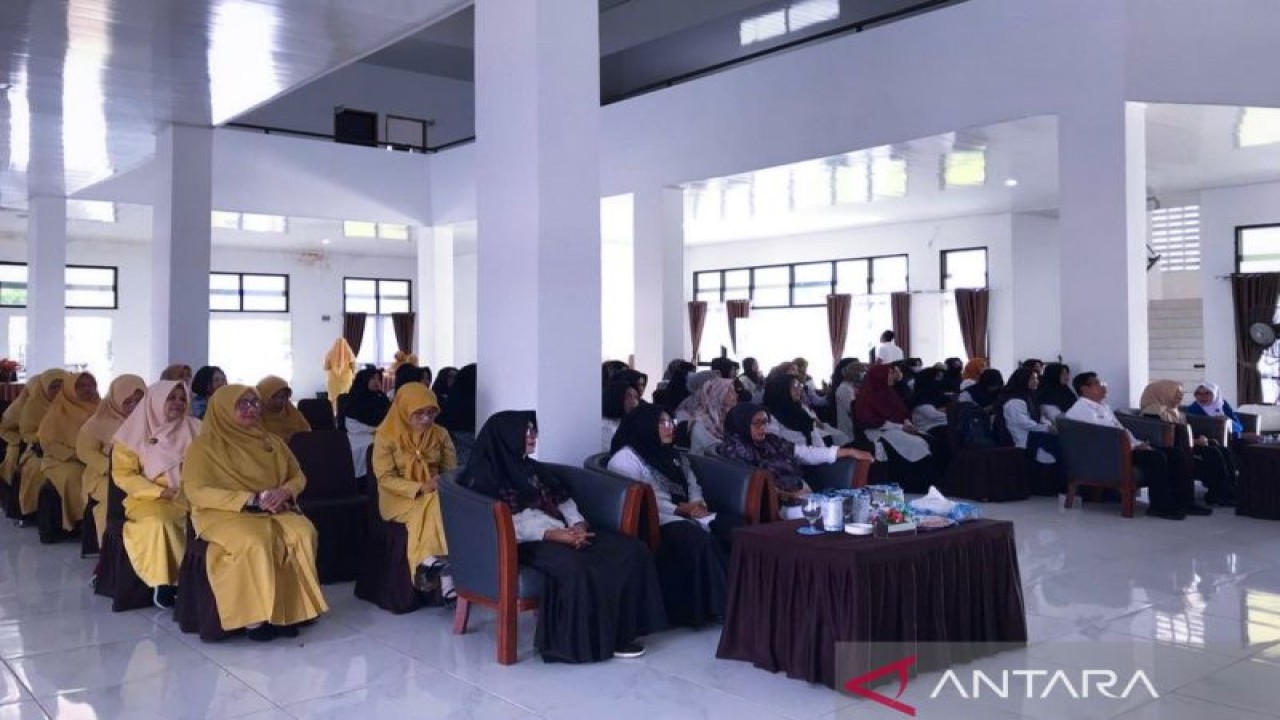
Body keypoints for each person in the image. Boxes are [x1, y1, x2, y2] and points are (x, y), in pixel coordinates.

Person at [461, 410, 666, 662]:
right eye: (525, 431)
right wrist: (555, 534)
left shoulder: (531, 468)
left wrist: (577, 524)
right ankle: (584, 643)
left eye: (533, 430)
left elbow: (563, 499)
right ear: (506, 436)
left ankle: (623, 632)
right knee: (579, 565)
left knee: (631, 550)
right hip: (526, 543)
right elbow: (507, 521)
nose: (532, 436)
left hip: (565, 530)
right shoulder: (483, 477)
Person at [182, 385, 328, 641]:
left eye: (254, 403)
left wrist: (284, 492)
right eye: (243, 404)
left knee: (302, 533)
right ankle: (255, 619)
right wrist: (248, 499)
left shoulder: (272, 441)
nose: (251, 409)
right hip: (223, 513)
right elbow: (196, 491)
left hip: (274, 508)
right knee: (255, 541)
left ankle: (291, 611)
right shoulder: (203, 447)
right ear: (224, 409)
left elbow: (298, 475)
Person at [607, 404, 729, 627]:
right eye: (661, 423)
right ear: (645, 426)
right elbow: (641, 497)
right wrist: (681, 510)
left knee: (731, 528)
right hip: (658, 519)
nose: (669, 427)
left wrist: (696, 504)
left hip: (689, 512)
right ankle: (721, 606)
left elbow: (692, 482)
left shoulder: (672, 453)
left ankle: (744, 596)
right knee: (697, 541)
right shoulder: (626, 459)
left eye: (670, 421)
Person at [1065, 372, 1209, 520]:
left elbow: (1120, 429)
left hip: (1123, 447)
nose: (1104, 387)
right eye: (1098, 384)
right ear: (1084, 389)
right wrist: (1134, 447)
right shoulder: (1082, 409)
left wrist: (1139, 443)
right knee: (1156, 457)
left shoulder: (1103, 407)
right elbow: (1103, 437)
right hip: (1111, 454)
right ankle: (1160, 506)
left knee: (1175, 453)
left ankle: (1185, 502)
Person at [111, 380, 202, 608]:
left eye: (183, 399)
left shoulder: (197, 428)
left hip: (194, 494)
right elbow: (123, 475)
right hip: (150, 497)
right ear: (156, 400)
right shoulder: (131, 434)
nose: (178, 403)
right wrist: (160, 492)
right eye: (171, 397)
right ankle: (166, 582)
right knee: (160, 522)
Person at [373, 382, 456, 599]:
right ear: (403, 410)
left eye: (431, 413)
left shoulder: (440, 434)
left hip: (434, 494)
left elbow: (451, 470)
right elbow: (384, 478)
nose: (426, 419)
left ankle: (429, 561)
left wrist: (441, 482)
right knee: (434, 504)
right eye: (418, 414)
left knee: (434, 502)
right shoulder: (386, 435)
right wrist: (420, 487)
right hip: (398, 498)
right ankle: (447, 578)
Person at [716, 403, 866, 516]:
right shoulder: (733, 451)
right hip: (777, 504)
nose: (763, 428)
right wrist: (790, 496)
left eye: (765, 422)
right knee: (831, 516)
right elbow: (753, 486)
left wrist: (848, 451)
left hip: (802, 494)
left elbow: (805, 453)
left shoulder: (771, 441)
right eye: (757, 423)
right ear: (741, 424)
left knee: (851, 510)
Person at [75, 374, 146, 550]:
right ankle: (109, 554)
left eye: (139, 400)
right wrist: (113, 468)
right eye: (127, 401)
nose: (134, 406)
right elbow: (85, 451)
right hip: (105, 476)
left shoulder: (151, 419)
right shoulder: (97, 422)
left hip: (144, 474)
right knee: (112, 501)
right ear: (115, 400)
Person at [1140, 380, 1237, 507]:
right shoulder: (1153, 411)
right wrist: (1195, 441)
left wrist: (1199, 438)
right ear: (1163, 393)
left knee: (1220, 448)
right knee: (1212, 452)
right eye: (1176, 393)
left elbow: (1185, 430)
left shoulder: (1173, 410)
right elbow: (1168, 436)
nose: (1180, 396)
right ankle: (1218, 494)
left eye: (1181, 393)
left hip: (1187, 443)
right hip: (1176, 446)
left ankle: (1228, 492)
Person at [853, 364, 935, 492]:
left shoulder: (890, 392)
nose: (893, 376)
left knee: (929, 440)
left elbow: (902, 412)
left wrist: (907, 423)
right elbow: (872, 421)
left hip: (897, 428)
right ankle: (914, 486)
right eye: (889, 373)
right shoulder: (866, 396)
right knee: (917, 445)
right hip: (879, 431)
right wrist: (901, 427)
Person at [37, 371, 101, 533]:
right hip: (61, 460)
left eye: (91, 385)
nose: (87, 389)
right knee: (74, 476)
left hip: (95, 456)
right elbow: (48, 443)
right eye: (81, 386)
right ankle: (82, 521)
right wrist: (76, 455)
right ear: (71, 388)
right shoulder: (59, 410)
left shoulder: (102, 408)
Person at [16, 369, 69, 519]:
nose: (58, 391)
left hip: (71, 451)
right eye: (53, 387)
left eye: (62, 386)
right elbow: (26, 433)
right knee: (36, 470)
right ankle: (34, 511)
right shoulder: (33, 407)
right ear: (44, 388)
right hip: (38, 451)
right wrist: (45, 439)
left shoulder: (75, 405)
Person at [763, 372, 849, 448]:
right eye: (794, 386)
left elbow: (816, 439)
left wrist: (825, 454)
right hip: (793, 460)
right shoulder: (770, 416)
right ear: (781, 389)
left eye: (799, 385)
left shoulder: (799, 410)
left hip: (815, 455)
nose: (799, 389)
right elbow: (776, 446)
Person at [996, 367, 1058, 464]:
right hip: (1019, 441)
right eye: (1032, 379)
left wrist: (1049, 425)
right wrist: (1047, 428)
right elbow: (1023, 423)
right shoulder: (1014, 400)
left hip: (1031, 436)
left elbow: (1037, 416)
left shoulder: (1028, 396)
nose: (1036, 381)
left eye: (1037, 378)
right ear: (1023, 380)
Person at [341, 367, 391, 477]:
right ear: (364, 380)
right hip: (357, 436)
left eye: (378, 379)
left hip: (380, 434)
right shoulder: (355, 400)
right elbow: (351, 426)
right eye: (372, 378)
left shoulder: (381, 397)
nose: (376, 382)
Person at [688, 377, 738, 454]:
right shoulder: (701, 422)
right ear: (719, 394)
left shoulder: (728, 415)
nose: (735, 395)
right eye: (730, 391)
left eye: (734, 391)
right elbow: (715, 450)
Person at [256, 376, 311, 443]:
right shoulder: (254, 415)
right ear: (263, 396)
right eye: (274, 397)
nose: (280, 401)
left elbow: (306, 430)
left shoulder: (289, 409)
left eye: (283, 396)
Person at [601, 379, 639, 452]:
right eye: (628, 397)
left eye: (636, 397)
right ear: (616, 397)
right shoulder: (606, 429)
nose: (634, 402)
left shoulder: (627, 424)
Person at [323, 338, 357, 413]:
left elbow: (326, 367)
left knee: (333, 399)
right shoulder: (349, 353)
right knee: (344, 398)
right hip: (346, 381)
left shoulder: (330, 353)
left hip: (333, 382)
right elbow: (354, 368)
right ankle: (344, 412)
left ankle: (333, 414)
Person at [834, 360, 864, 440]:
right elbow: (853, 412)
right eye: (859, 371)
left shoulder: (850, 387)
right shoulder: (844, 389)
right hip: (848, 434)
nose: (861, 375)